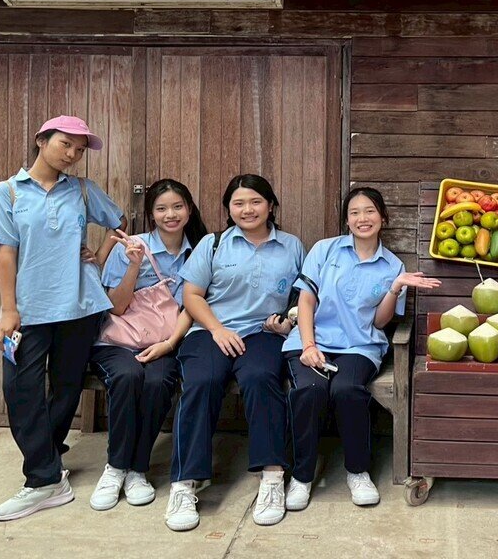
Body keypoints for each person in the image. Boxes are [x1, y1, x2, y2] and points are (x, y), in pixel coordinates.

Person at [0, 115, 126, 521]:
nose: (72, 154)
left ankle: (46, 467)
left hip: (80, 306)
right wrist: (9, 310)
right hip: (29, 310)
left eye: (79, 149)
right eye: (65, 144)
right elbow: (5, 254)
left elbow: (119, 223)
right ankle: (45, 477)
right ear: (41, 140)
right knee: (20, 389)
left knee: (66, 387)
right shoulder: (6, 192)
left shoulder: (83, 190)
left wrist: (99, 255)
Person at [144, 174, 304, 532]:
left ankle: (272, 477)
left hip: (263, 333)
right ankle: (184, 484)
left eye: (256, 202)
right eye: (238, 203)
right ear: (228, 209)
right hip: (210, 330)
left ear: (271, 205)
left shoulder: (292, 246)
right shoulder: (213, 244)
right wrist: (217, 329)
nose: (248, 209)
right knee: (202, 381)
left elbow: (301, 297)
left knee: (261, 378)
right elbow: (192, 296)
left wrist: (287, 322)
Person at [282, 187, 441, 510]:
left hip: (359, 345)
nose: (362, 218)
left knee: (347, 390)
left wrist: (395, 288)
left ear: (383, 217)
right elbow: (306, 301)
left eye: (369, 211)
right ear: (346, 220)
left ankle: (358, 472)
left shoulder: (392, 266)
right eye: (354, 212)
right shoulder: (325, 250)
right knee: (310, 390)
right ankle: (301, 476)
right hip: (312, 340)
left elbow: (380, 321)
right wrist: (309, 345)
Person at [87, 179, 208, 511]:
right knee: (127, 377)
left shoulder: (200, 251)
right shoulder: (131, 246)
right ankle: (115, 468)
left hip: (166, 340)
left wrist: (169, 343)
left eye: (177, 207)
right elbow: (115, 308)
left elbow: (193, 305)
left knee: (157, 381)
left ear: (189, 209)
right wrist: (134, 265)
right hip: (118, 340)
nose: (170, 215)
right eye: (161, 208)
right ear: (151, 214)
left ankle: (137, 469)